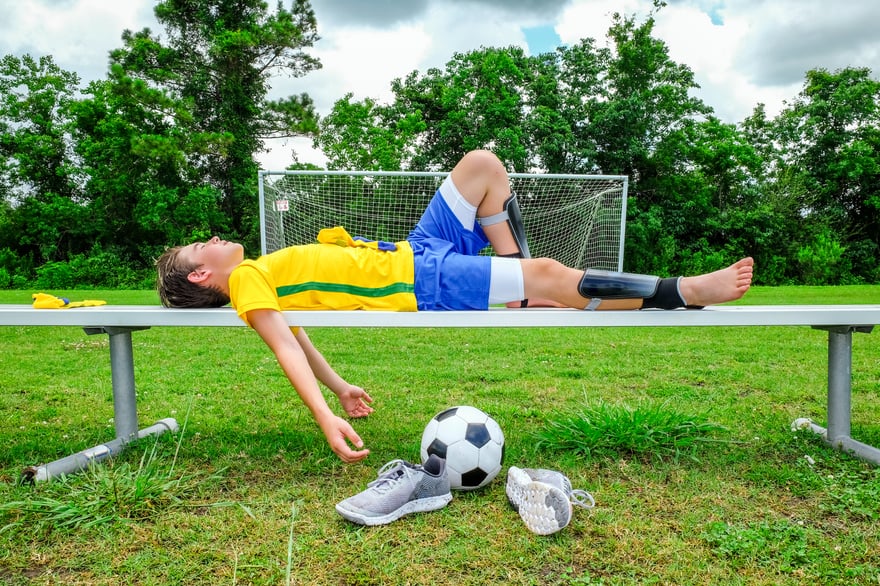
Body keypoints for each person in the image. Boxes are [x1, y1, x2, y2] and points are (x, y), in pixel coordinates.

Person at [156, 150, 754, 463]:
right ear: (206, 274)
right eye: (199, 247)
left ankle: (523, 280)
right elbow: (284, 342)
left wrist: (341, 386)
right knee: (549, 278)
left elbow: (298, 330)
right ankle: (686, 289)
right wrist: (324, 411)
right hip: (423, 280)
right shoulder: (250, 280)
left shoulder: (261, 273)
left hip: (418, 250)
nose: (210, 238)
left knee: (483, 167)